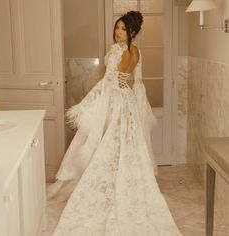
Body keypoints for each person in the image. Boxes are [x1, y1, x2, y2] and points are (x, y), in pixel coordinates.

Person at [49, 11, 182, 236]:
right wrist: (141, 110)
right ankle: (124, 186)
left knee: (107, 146)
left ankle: (110, 188)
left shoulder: (115, 51)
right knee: (123, 147)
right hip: (127, 100)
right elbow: (137, 85)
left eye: (123, 29)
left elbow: (107, 82)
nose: (118, 33)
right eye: (117, 28)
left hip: (113, 100)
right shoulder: (137, 52)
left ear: (133, 32)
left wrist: (86, 104)